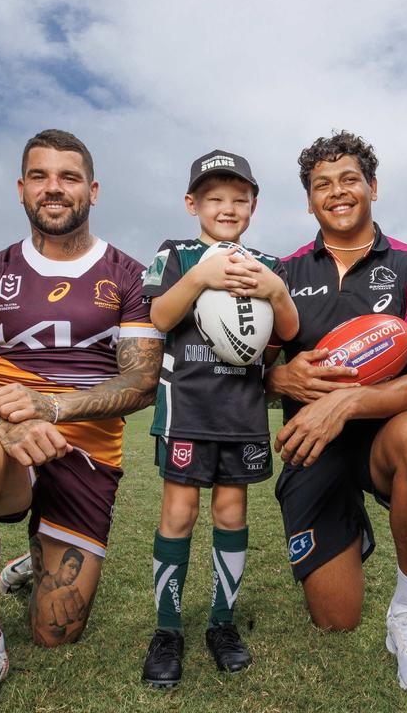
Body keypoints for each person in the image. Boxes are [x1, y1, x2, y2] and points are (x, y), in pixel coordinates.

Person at [0, 129, 162, 713]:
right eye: (40, 176)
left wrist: (56, 406)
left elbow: (141, 381)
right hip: (9, 448)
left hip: (88, 453)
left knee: (57, 633)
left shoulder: (130, 275)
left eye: (69, 177)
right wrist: (7, 426)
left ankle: (35, 557)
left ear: (93, 189)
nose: (54, 188)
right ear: (21, 188)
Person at [266, 131, 407, 693]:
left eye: (350, 179)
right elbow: (250, 369)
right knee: (335, 619)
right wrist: (278, 376)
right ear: (308, 201)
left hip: (385, 441)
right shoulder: (282, 273)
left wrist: (346, 402)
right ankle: (350, 525)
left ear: (372, 187)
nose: (338, 192)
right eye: (322, 185)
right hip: (312, 447)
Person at [137, 150, 299, 687]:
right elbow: (159, 316)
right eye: (214, 198)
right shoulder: (176, 254)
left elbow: (289, 332)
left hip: (242, 415)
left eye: (238, 199)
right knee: (179, 515)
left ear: (253, 205)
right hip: (187, 410)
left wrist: (275, 290)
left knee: (231, 515)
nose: (227, 208)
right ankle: (168, 630)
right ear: (192, 203)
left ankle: (222, 624)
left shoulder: (267, 264)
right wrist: (203, 275)